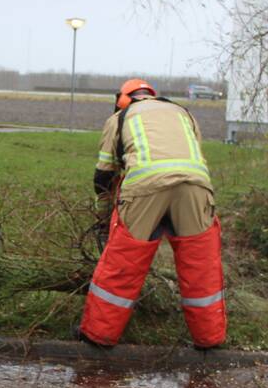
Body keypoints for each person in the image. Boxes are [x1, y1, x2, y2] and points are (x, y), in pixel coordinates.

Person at [78, 78, 226, 349]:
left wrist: (103, 216)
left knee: (124, 259)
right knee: (201, 264)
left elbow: (104, 176)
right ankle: (210, 339)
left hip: (146, 188)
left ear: (122, 100)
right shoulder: (183, 113)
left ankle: (99, 336)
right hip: (196, 186)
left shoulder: (120, 118)